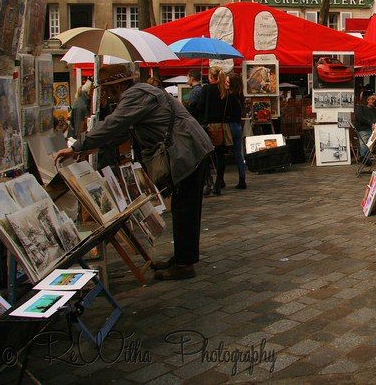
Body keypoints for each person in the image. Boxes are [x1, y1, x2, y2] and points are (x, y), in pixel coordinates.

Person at [53, 63, 213, 280]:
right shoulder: (142, 93)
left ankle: (185, 264)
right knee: (183, 205)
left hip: (187, 151)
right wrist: (92, 145)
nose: (108, 96)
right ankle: (183, 256)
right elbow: (122, 131)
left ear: (117, 86)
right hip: (188, 148)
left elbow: (115, 123)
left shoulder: (135, 95)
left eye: (109, 91)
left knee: (185, 207)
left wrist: (76, 147)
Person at [202, 66, 232, 195]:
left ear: (210, 76)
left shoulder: (207, 89)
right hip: (222, 126)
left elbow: (199, 106)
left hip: (208, 125)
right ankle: (219, 182)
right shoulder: (224, 91)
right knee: (220, 156)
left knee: (205, 155)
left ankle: (208, 180)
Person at [226, 71, 247, 189]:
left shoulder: (231, 96)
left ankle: (220, 180)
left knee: (221, 152)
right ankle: (242, 178)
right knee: (238, 154)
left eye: (228, 82)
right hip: (238, 126)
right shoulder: (240, 96)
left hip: (230, 125)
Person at [355, 93, 376, 160]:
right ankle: (365, 158)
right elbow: (360, 118)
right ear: (368, 100)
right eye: (372, 99)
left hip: (374, 129)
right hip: (363, 129)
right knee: (365, 139)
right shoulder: (361, 108)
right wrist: (371, 124)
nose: (374, 101)